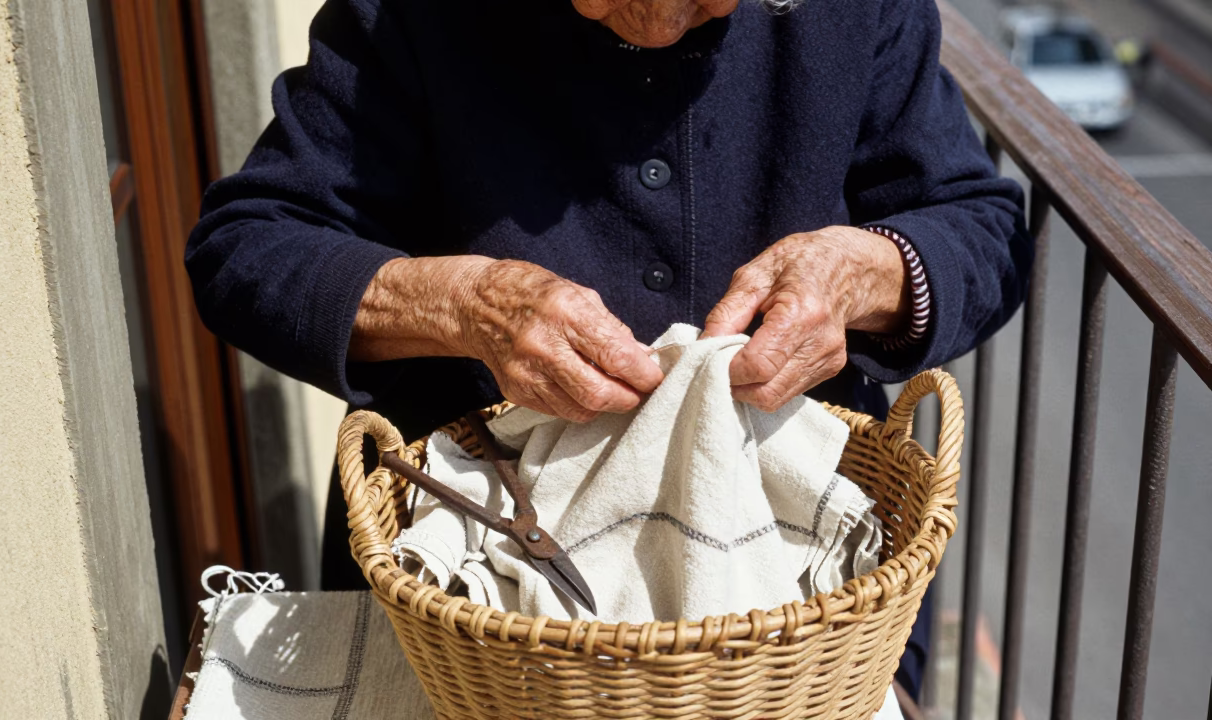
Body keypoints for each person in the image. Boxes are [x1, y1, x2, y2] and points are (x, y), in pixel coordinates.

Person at [187, 0, 1033, 700]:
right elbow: (246, 246)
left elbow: (983, 227)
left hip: (802, 604)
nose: (663, 17)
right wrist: (461, 304)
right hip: (471, 603)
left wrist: (868, 275)